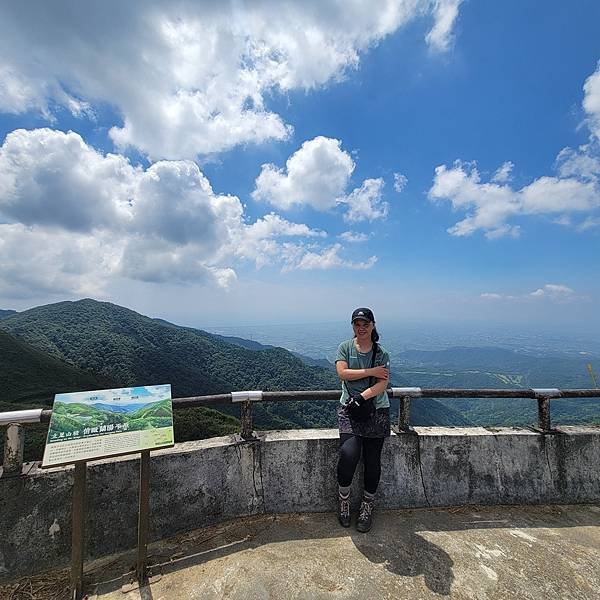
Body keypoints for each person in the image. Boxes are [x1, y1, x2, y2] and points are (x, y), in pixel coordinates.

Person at [335, 307, 390, 532]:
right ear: (353, 326)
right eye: (357, 324)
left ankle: (367, 506)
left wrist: (362, 396)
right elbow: (342, 373)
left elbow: (383, 383)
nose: (361, 328)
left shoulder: (382, 353)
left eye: (365, 324)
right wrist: (370, 371)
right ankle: (344, 500)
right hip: (349, 410)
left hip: (376, 410)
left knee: (372, 460)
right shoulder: (345, 348)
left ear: (373, 325)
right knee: (349, 455)